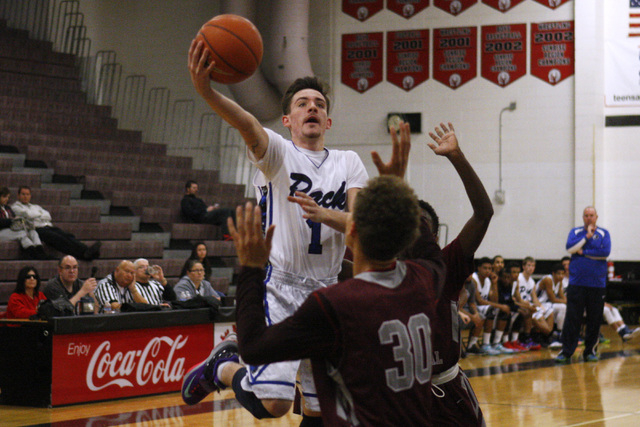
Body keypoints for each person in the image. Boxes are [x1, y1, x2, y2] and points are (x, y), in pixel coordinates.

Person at [187, 38, 368, 422]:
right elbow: (248, 123)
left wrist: (323, 213)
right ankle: (223, 368)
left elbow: (362, 224)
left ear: (329, 121)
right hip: (280, 285)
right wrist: (208, 92)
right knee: (275, 405)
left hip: (329, 292)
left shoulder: (349, 161)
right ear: (287, 120)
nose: (312, 107)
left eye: (319, 104)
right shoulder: (279, 153)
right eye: (302, 104)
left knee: (325, 413)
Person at [187, 173, 446, 426]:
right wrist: (397, 186)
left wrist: (251, 268)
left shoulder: (333, 303)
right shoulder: (423, 282)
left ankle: (224, 368)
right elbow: (430, 253)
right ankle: (222, 368)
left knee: (313, 410)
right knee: (308, 409)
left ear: (350, 231)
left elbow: (254, 347)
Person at [556, 206, 612, 364]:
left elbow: (604, 253)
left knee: (594, 319)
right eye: (586, 215)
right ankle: (567, 351)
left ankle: (590, 351)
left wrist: (583, 252)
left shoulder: (604, 233)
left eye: (592, 215)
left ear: (597, 217)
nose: (589, 218)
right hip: (577, 283)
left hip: (597, 284)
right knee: (572, 318)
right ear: (583, 217)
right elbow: (570, 248)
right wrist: (587, 236)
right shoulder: (575, 232)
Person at [11, 186, 101, 261]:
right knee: (59, 239)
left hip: (48, 226)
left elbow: (48, 215)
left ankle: (87, 250)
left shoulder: (35, 206)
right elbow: (29, 215)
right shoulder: (15, 207)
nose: (25, 196)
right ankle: (83, 255)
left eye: (27, 194)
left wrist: (37, 216)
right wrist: (40, 215)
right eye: (23, 194)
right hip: (36, 229)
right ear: (18, 195)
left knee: (68, 236)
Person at [0, 187, 48, 259]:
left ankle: (39, 251)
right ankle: (34, 253)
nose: (6, 199)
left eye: (8, 197)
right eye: (4, 197)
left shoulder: (7, 208)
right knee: (22, 234)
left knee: (32, 231)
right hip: (1, 231)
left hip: (10, 230)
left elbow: (13, 219)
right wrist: (11, 221)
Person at [535, 263, 567, 348]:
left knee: (564, 307)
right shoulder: (548, 280)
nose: (561, 276)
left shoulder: (559, 282)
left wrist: (567, 301)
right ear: (553, 273)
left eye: (562, 274)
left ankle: (559, 333)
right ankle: (555, 334)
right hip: (538, 303)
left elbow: (562, 296)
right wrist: (565, 301)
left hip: (548, 304)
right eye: (559, 274)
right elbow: (553, 299)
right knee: (562, 307)